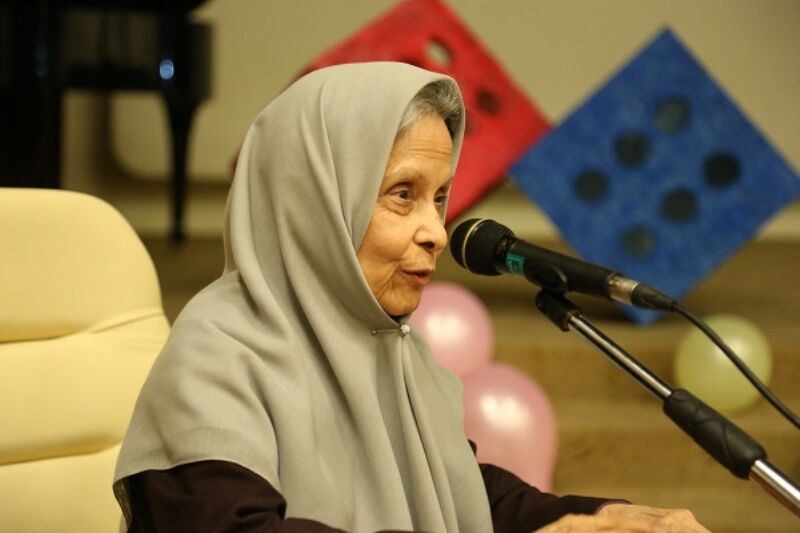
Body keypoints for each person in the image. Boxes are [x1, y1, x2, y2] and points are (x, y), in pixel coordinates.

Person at [114, 62, 709, 532]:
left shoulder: (393, 347)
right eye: (403, 194)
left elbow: (461, 498)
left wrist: (604, 520)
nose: (437, 232)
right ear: (313, 205)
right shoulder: (215, 354)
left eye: (440, 198)